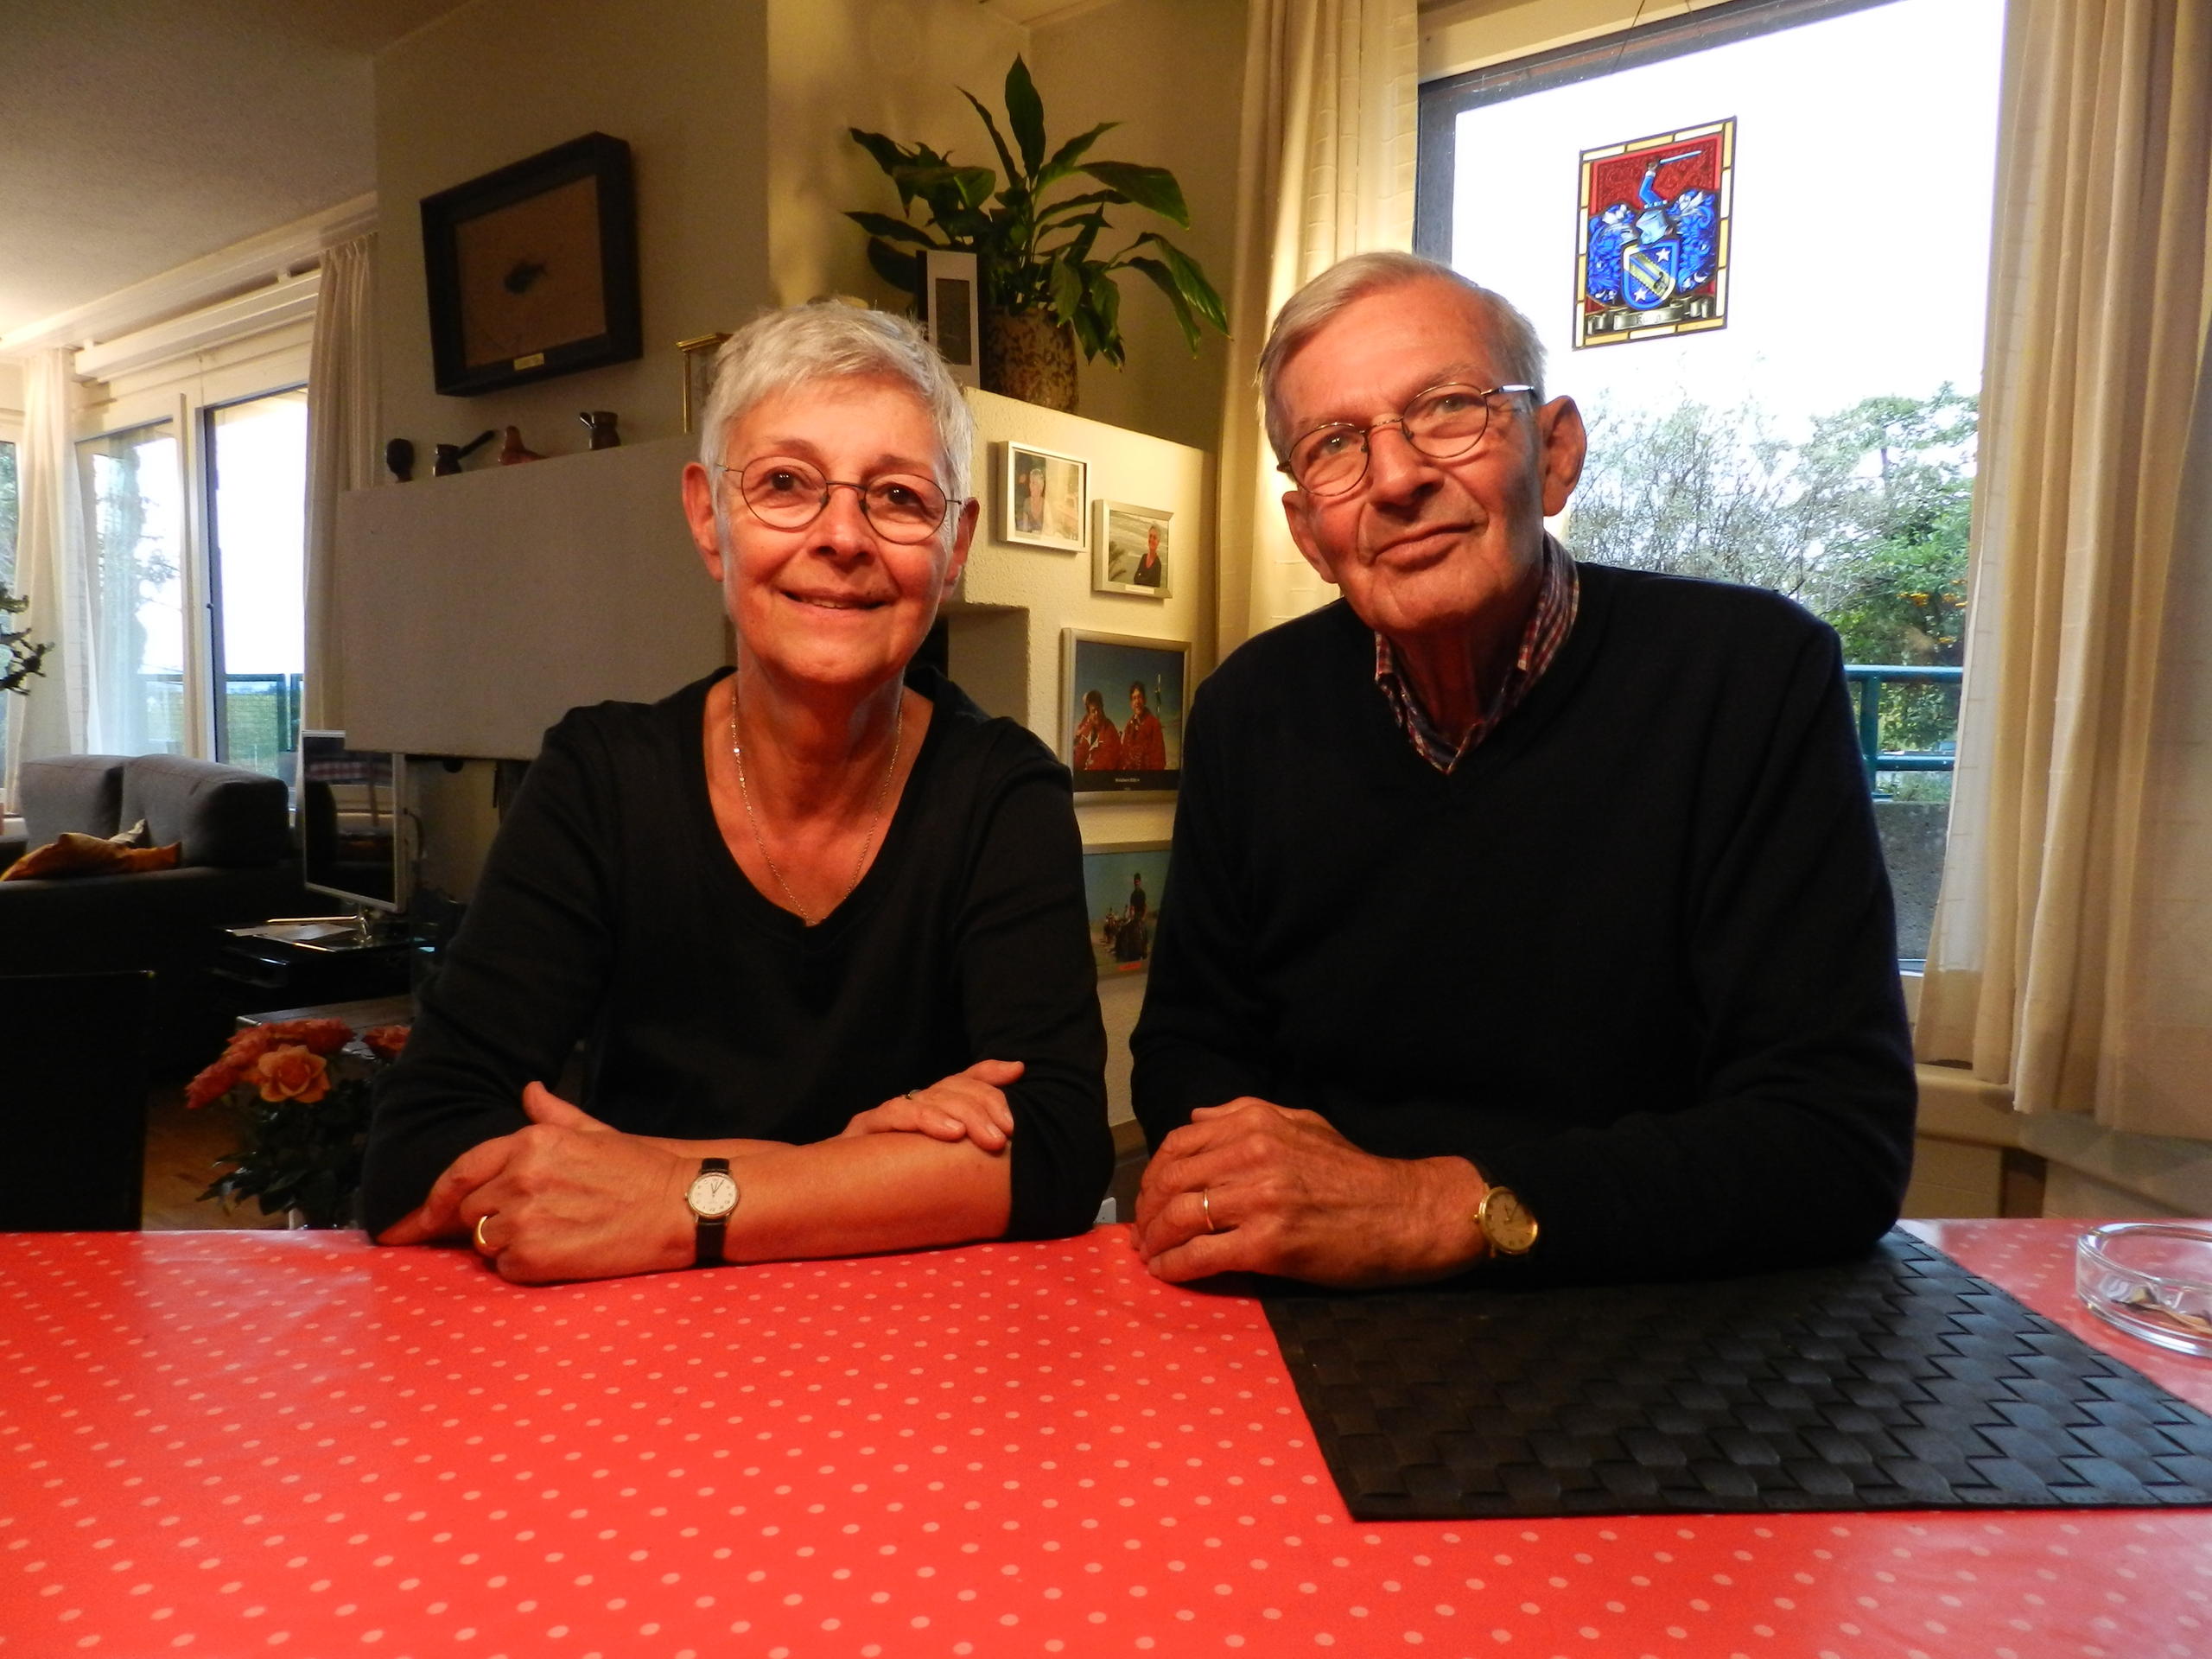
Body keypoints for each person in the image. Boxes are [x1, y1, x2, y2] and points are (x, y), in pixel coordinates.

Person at [1128, 251, 1914, 1289]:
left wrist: (1430, 1211)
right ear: (1309, 532)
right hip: (1324, 1309)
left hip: (1671, 1326)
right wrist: (1263, 1190)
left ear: (1553, 454)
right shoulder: (1247, 712)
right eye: (1337, 446)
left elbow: (1833, 1141)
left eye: (1448, 409)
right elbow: (1190, 1056)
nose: (1399, 478)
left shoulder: (1753, 677)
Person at [363, 303, 1112, 1285]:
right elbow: (413, 1153)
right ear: (708, 519)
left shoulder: (1002, 792)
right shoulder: (600, 777)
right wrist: (862, 1171)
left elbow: (1059, 1155)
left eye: (896, 496)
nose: (842, 536)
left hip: (911, 1368)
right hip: (626, 1357)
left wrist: (669, 1191)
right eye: (786, 484)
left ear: (955, 545)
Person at [1071, 688, 1122, 772]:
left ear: (1102, 708)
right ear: (1089, 714)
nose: (1097, 714)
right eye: (1093, 711)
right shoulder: (1087, 730)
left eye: (1098, 709)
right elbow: (1081, 753)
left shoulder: (1110, 731)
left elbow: (1106, 764)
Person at [1120, 682, 1166, 771]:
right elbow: (1125, 753)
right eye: (1134, 698)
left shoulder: (1154, 724)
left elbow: (1159, 760)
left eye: (1139, 697)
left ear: (1144, 700)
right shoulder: (1129, 726)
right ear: (1131, 704)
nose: (1137, 701)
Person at [1133, 523, 1164, 588]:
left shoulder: (1157, 564)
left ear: (1158, 542)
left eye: (1154, 537)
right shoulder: (1144, 557)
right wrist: (1146, 580)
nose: (1151, 539)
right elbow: (1135, 579)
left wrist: (1141, 579)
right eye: (1150, 536)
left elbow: (1154, 589)